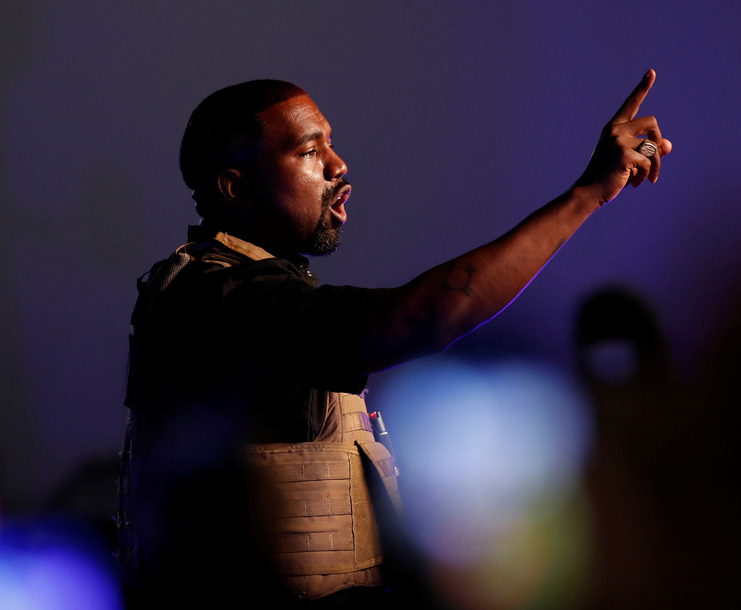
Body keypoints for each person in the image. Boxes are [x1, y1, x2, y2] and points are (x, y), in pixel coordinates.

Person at [117, 72, 671, 607]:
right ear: (235, 188)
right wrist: (586, 195)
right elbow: (427, 315)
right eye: (310, 151)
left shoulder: (257, 290)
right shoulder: (220, 299)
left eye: (330, 144)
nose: (338, 165)